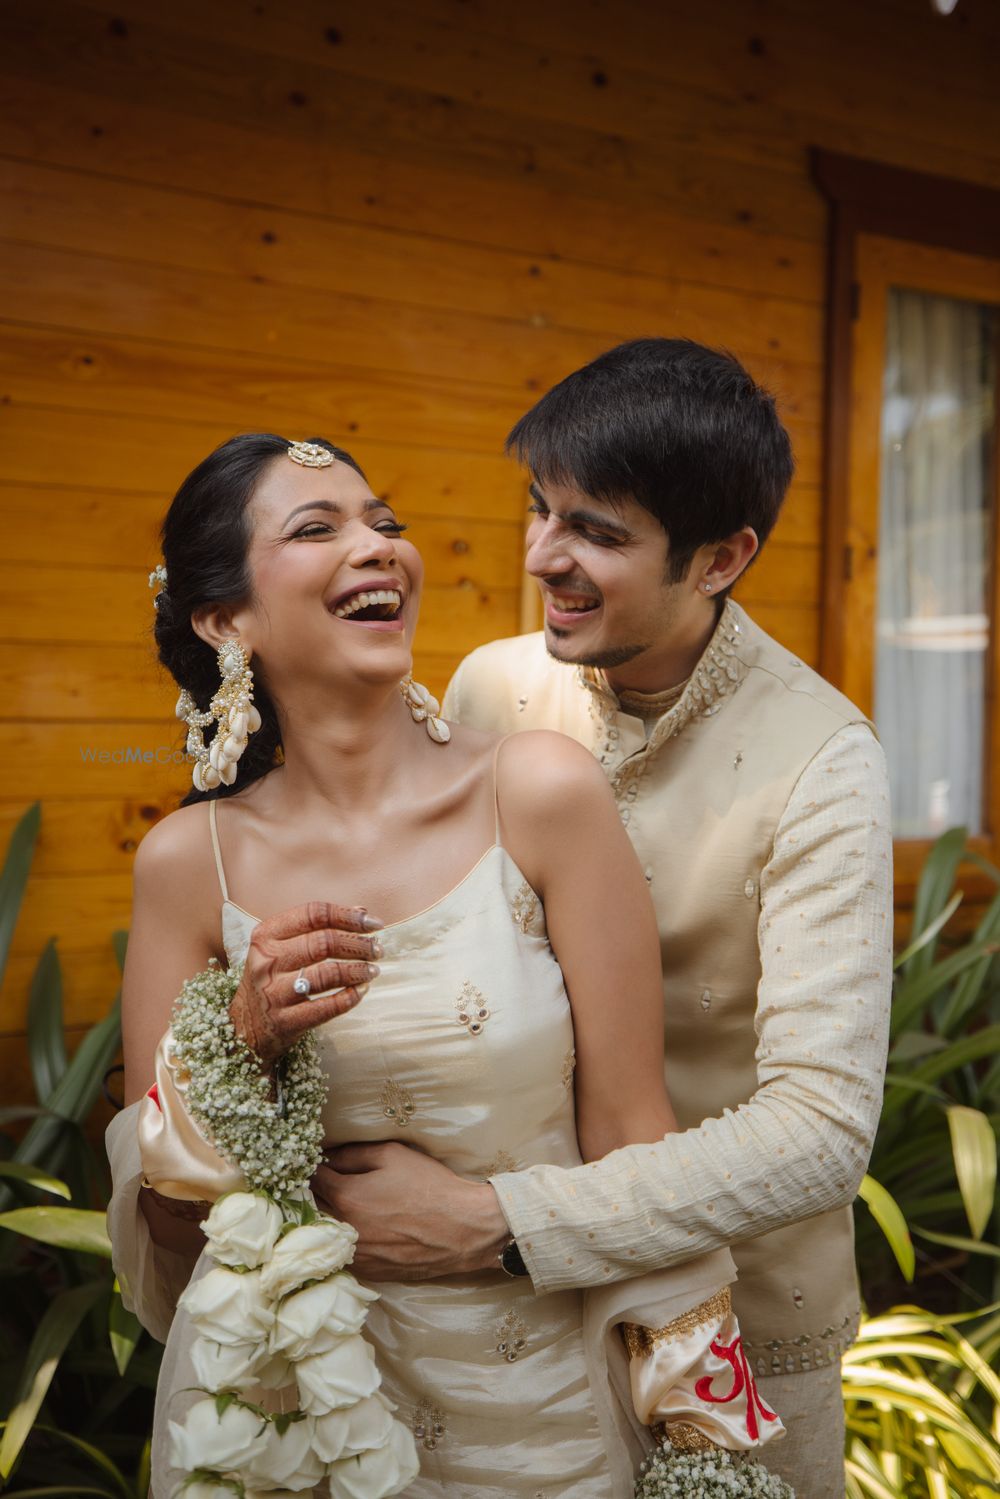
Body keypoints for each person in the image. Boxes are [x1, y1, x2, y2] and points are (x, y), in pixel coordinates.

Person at [106, 431, 782, 1498]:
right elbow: (176, 1231)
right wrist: (241, 1043)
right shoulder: (193, 864)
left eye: (385, 522)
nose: (376, 547)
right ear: (224, 618)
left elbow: (631, 1131)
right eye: (318, 528)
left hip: (541, 1415)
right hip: (297, 1426)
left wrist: (704, 1438)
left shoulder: (538, 793)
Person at [312, 340, 894, 1499]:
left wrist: (495, 1217)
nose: (544, 559)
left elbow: (823, 1127)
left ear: (723, 556)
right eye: (539, 511)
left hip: (735, 1333)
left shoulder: (824, 763)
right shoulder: (485, 686)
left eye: (599, 533)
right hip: (487, 1334)